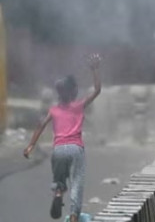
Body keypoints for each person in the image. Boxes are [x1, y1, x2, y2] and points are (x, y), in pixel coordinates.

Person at [24, 54, 102, 222]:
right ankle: (74, 216)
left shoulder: (53, 110)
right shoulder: (78, 105)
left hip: (58, 149)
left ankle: (58, 193)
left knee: (59, 179)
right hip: (75, 148)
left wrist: (30, 145)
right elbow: (97, 90)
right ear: (73, 91)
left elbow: (41, 125)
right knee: (77, 184)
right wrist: (94, 69)